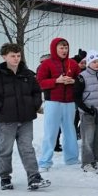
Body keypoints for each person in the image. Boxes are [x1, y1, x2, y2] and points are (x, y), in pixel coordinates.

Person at [0, 43, 50, 191]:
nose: (16, 59)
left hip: (26, 119)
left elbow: (36, 91)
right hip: (7, 121)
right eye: (13, 56)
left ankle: (34, 177)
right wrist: (0, 108)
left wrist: (34, 104)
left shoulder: (27, 74)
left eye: (18, 56)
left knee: (27, 148)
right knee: (5, 149)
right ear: (4, 56)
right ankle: (5, 178)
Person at [36, 37, 81, 170]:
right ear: (54, 49)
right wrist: (56, 81)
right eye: (61, 48)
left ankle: (72, 159)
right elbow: (39, 83)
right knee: (51, 132)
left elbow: (80, 80)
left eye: (66, 47)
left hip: (70, 102)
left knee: (70, 131)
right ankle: (45, 162)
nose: (64, 50)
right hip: (53, 102)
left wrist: (74, 82)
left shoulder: (73, 64)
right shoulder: (46, 64)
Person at [75, 50, 98, 173]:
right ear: (88, 63)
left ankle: (96, 161)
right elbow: (76, 96)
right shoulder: (82, 76)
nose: (97, 64)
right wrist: (86, 109)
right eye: (94, 62)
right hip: (88, 113)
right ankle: (86, 163)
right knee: (88, 139)